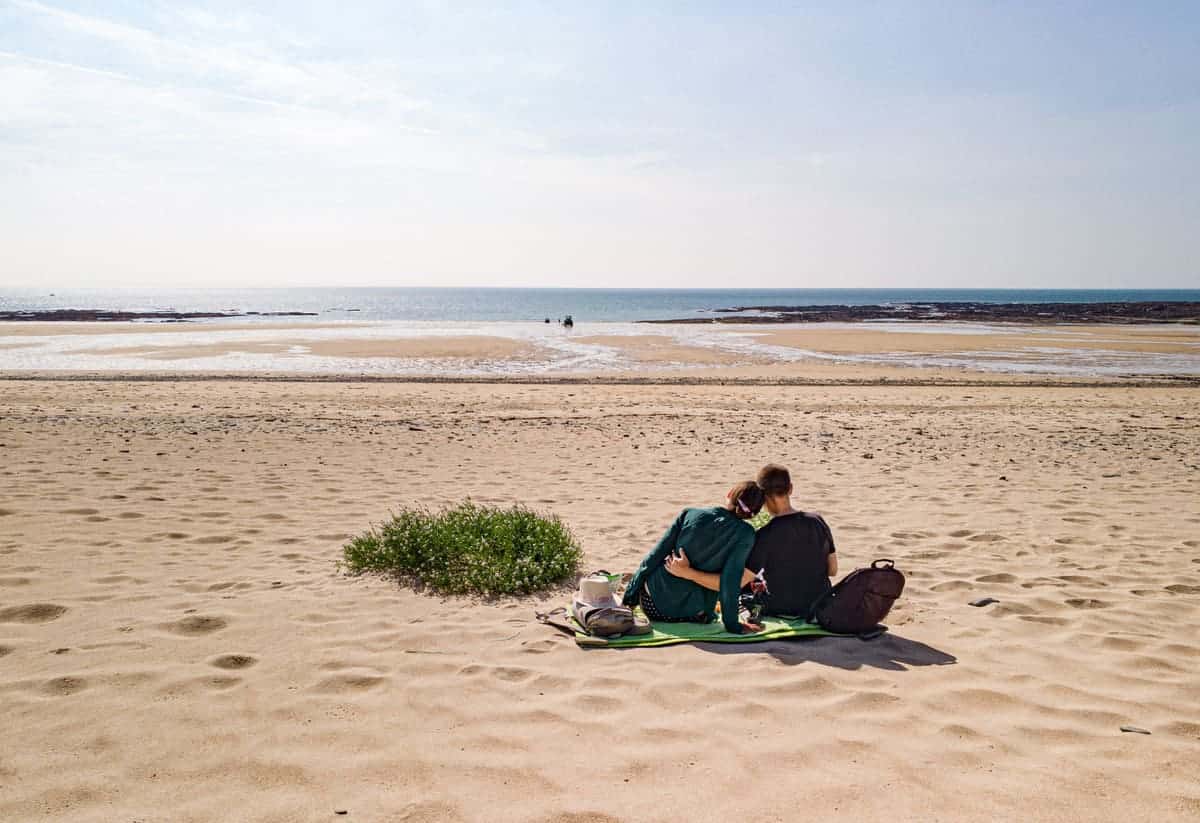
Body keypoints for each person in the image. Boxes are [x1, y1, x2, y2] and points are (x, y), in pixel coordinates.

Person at [665, 464, 837, 619]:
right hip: (818, 605)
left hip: (781, 608)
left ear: (761, 496)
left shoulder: (764, 535)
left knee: (747, 584)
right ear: (790, 489)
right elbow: (833, 570)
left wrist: (688, 573)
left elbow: (732, 585)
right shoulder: (818, 521)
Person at [622, 481, 766, 634]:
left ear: (729, 494)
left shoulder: (689, 513)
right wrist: (733, 625)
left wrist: (630, 597)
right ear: (754, 513)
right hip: (695, 614)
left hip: (651, 605)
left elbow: (654, 557)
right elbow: (730, 581)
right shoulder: (746, 534)